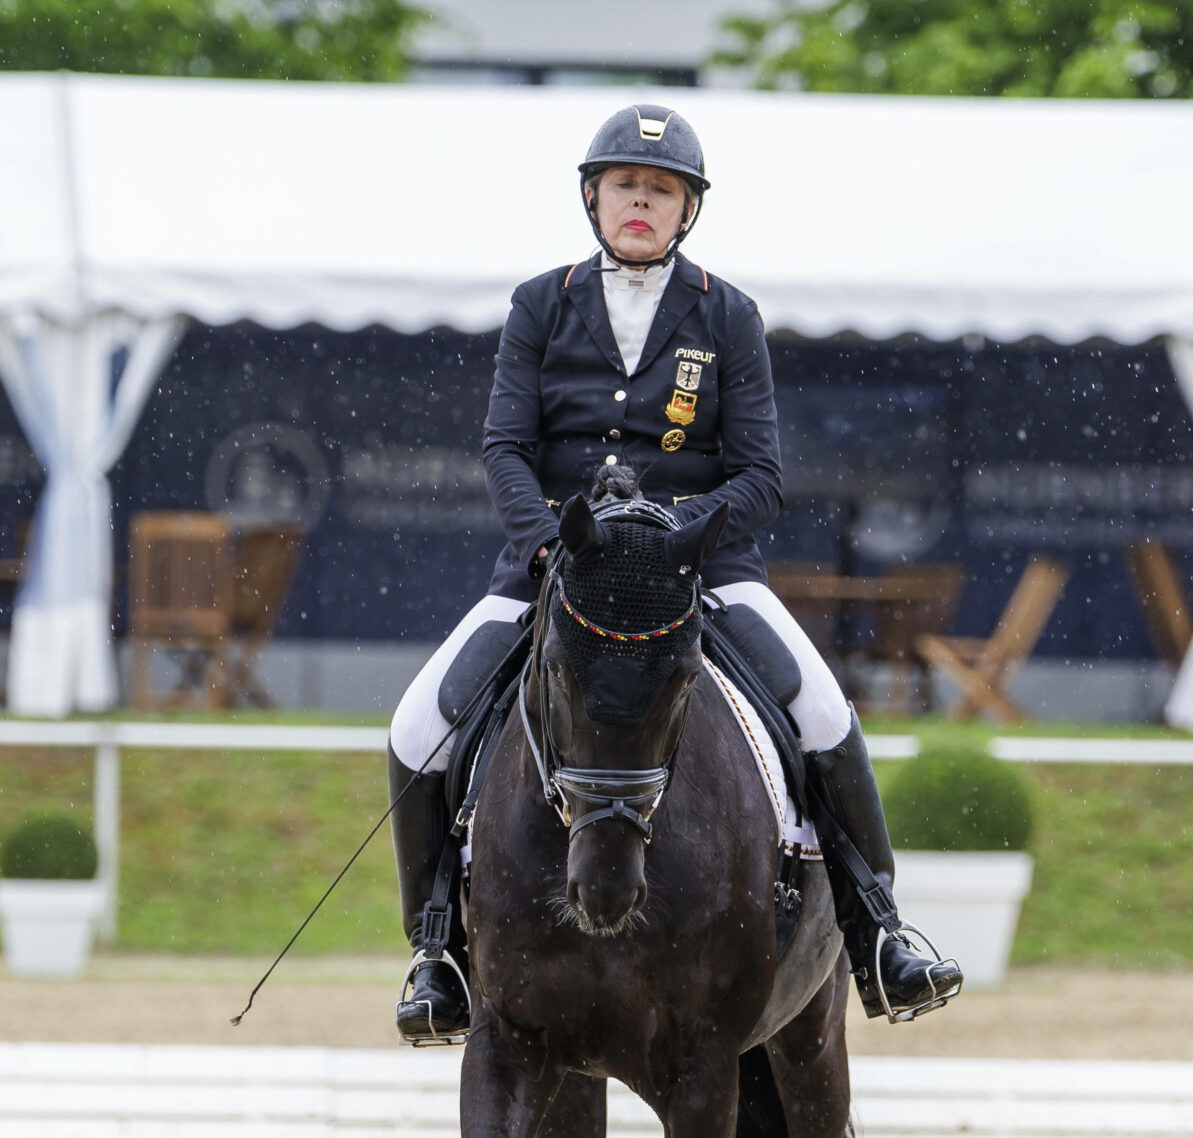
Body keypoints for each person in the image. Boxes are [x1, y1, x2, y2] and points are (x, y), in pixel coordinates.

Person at [385, 102, 962, 1045]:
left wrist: (673, 537)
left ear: (687, 209)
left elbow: (761, 476)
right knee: (418, 729)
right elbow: (504, 448)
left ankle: (879, 934)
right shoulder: (541, 302)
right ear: (593, 198)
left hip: (704, 571)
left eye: (662, 190)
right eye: (627, 187)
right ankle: (435, 952)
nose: (642, 203)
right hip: (555, 569)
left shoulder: (726, 313)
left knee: (823, 714)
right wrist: (549, 542)